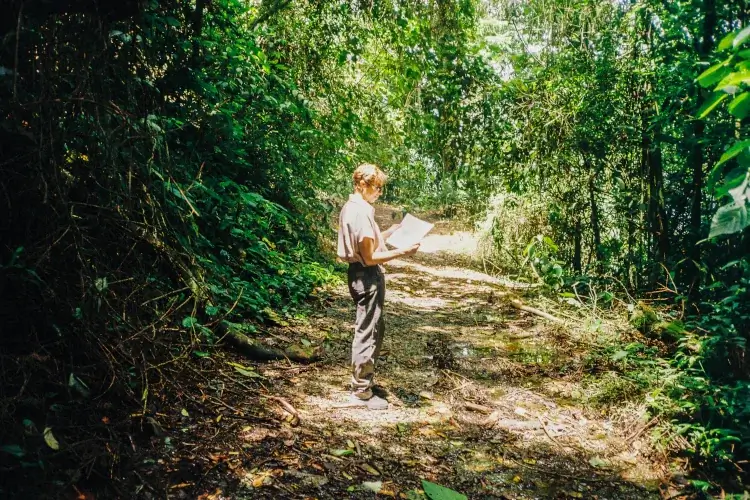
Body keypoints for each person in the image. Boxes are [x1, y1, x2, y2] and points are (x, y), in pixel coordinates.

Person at [337, 163, 420, 410]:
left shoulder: (354, 207)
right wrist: (403, 251)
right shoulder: (360, 213)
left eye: (381, 188)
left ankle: (364, 382)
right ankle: (361, 390)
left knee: (373, 327)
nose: (379, 192)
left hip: (362, 273)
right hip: (367, 276)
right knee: (368, 331)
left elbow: (368, 245)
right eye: (376, 187)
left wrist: (390, 232)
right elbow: (370, 257)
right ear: (362, 185)